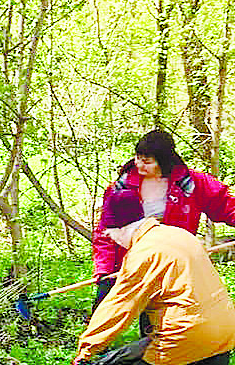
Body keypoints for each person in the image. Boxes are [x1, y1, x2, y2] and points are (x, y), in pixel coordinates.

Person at [75, 189, 235, 365]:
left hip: (184, 333)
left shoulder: (143, 254)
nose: (111, 239)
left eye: (111, 233)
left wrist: (88, 347)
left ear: (123, 227)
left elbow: (119, 306)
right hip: (224, 328)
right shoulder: (179, 234)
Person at [92, 129, 235, 309]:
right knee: (103, 313)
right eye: (137, 158)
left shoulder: (191, 184)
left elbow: (225, 205)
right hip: (128, 264)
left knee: (157, 320)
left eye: (147, 161)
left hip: (170, 263)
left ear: (164, 160)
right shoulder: (121, 189)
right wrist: (104, 268)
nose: (139, 165)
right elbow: (106, 231)